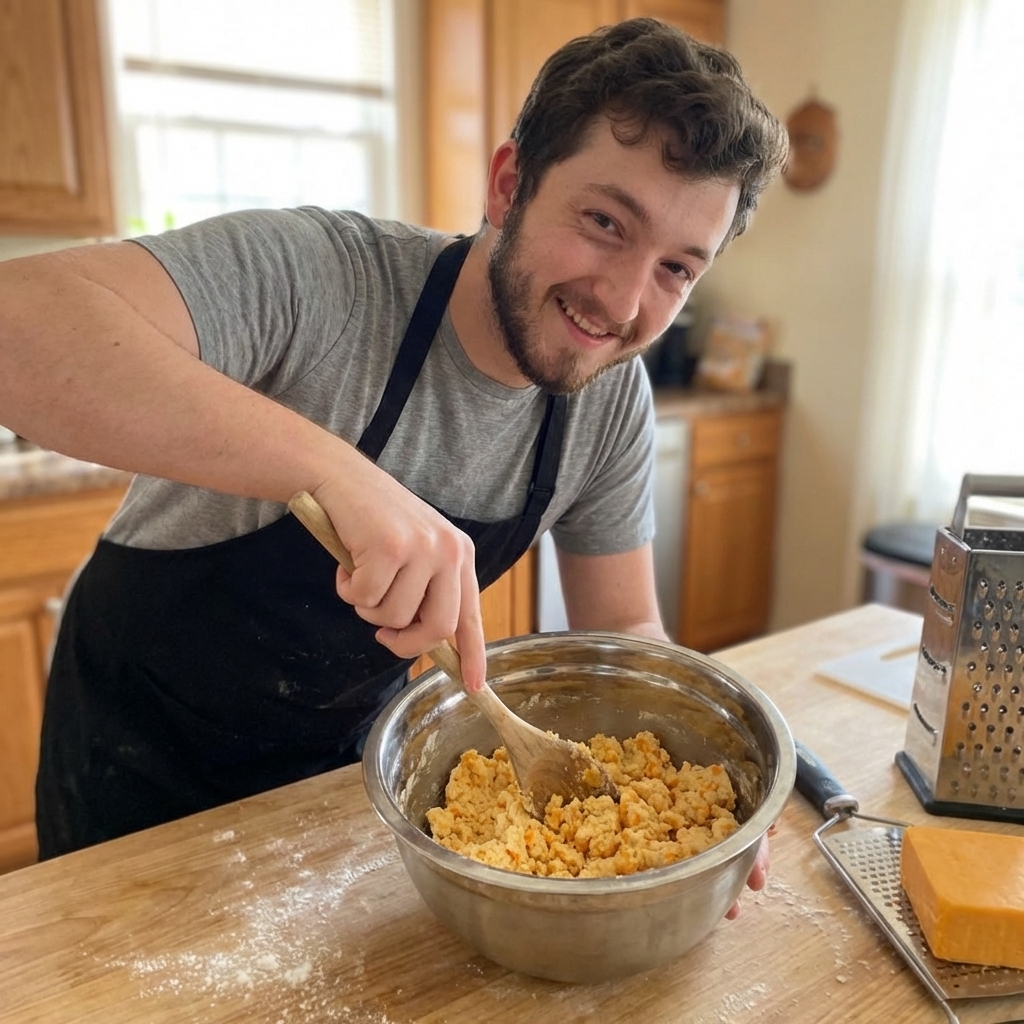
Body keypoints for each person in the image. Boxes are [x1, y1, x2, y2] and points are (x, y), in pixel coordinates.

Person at [0, 17, 787, 903]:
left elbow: (627, 630)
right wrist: (335, 473)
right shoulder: (328, 281)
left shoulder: (607, 400)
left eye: (677, 269)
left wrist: (699, 788)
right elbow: (16, 329)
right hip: (135, 775)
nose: (623, 300)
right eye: (605, 222)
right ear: (509, 185)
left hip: (339, 781)